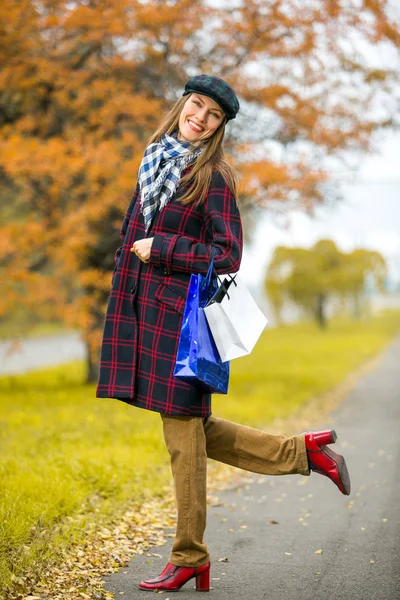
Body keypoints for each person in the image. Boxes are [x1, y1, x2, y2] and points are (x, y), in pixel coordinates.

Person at [96, 74, 351, 593]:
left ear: (219, 127)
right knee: (192, 432)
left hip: (181, 326)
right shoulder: (155, 160)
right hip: (146, 315)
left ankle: (190, 556)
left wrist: (162, 248)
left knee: (182, 440)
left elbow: (227, 254)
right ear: (183, 105)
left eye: (213, 115)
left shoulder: (212, 176)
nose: (201, 118)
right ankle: (305, 453)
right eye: (196, 106)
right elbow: (131, 241)